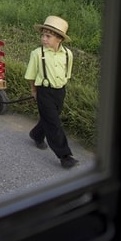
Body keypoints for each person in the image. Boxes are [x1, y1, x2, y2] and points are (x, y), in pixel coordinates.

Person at [24, 16, 78, 169]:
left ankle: (36, 134)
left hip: (60, 91)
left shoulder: (68, 54)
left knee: (51, 118)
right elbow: (31, 75)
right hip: (44, 91)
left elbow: (67, 73)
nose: (44, 39)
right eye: (43, 35)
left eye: (48, 36)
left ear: (59, 38)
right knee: (54, 123)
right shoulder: (37, 54)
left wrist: (62, 87)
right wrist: (34, 90)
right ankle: (65, 156)